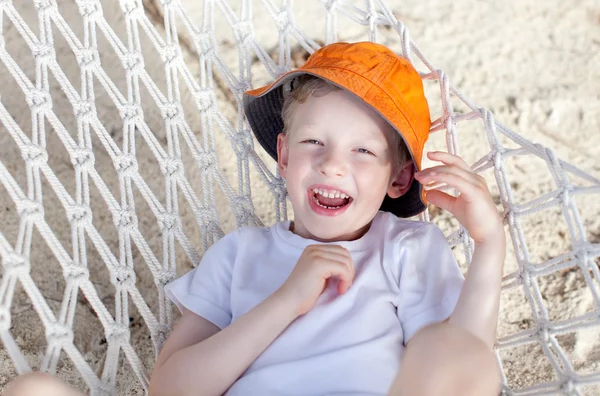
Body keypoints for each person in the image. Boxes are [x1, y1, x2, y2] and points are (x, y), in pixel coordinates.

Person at [5, 42, 505, 396]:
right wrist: (287, 300)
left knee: (447, 348)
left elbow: (464, 367)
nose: (332, 164)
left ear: (398, 181)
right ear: (283, 155)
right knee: (33, 389)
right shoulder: (238, 254)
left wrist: (489, 244)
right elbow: (172, 389)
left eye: (363, 151)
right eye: (315, 143)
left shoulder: (405, 249)